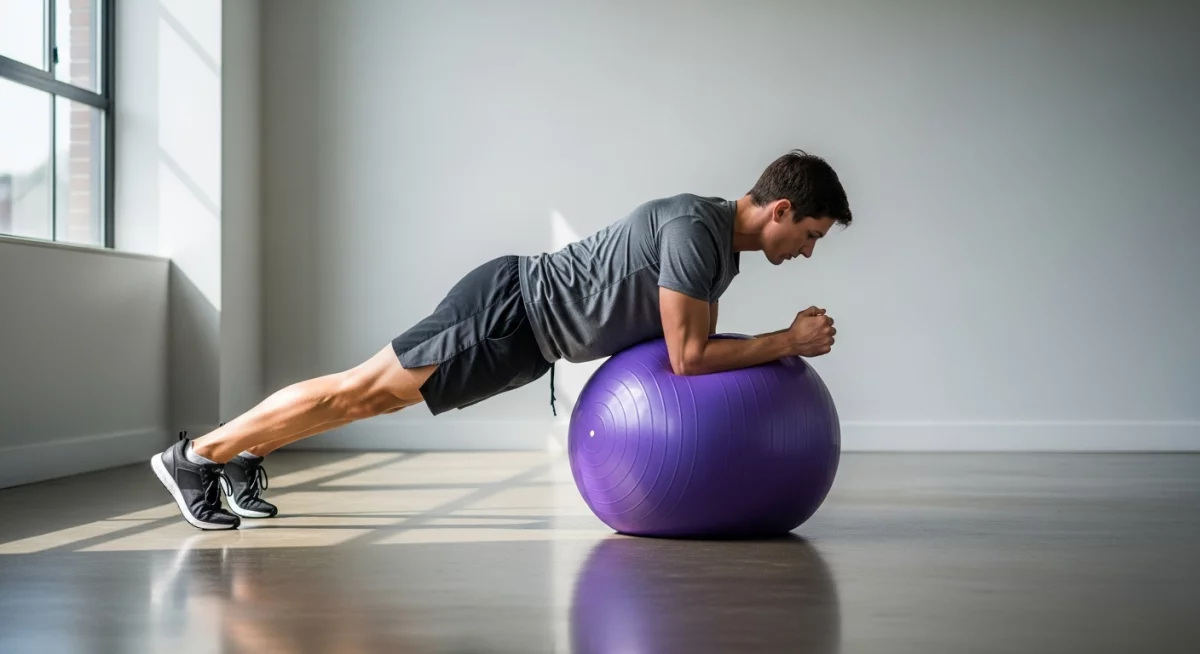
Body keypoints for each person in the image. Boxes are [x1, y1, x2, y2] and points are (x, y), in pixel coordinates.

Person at [151, 149, 853, 530]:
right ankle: (196, 456)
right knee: (355, 391)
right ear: (782, 208)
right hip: (507, 312)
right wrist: (786, 339)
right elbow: (687, 358)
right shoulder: (696, 234)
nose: (807, 252)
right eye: (810, 236)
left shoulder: (714, 244)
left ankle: (244, 456)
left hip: (524, 337)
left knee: (368, 403)